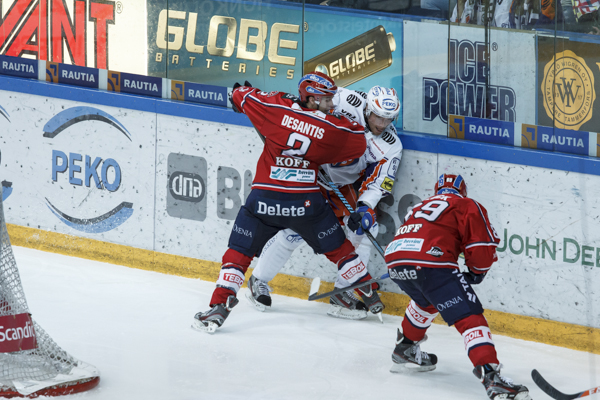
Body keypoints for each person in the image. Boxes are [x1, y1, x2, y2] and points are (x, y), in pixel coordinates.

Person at [192, 72, 377, 333]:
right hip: (305, 202)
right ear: (312, 99)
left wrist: (243, 96)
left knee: (239, 252)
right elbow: (358, 143)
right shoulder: (332, 128)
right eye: (327, 100)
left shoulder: (276, 106)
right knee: (339, 247)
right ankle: (366, 286)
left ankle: (219, 305)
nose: (332, 104)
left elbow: (240, 95)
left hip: (265, 199)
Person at [246, 85, 402, 321]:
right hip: (307, 170)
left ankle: (342, 294)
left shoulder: (392, 145)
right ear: (368, 108)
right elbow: (314, 95)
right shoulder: (346, 99)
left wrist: (365, 207)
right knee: (293, 231)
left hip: (342, 184)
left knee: (365, 227)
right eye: (378, 116)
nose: (382, 124)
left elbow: (379, 182)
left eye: (388, 119)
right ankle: (258, 279)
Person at [384, 174, 531, 400]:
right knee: (469, 314)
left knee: (427, 301)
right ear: (463, 191)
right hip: (431, 262)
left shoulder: (419, 206)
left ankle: (405, 348)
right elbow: (480, 244)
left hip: (395, 259)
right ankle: (492, 377)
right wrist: (477, 271)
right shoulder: (466, 204)